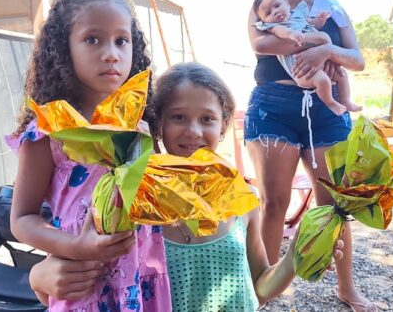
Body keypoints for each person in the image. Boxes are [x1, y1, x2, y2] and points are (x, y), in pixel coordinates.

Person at [29, 62, 345, 311]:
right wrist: (38, 277)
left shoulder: (244, 200)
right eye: (178, 117)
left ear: (223, 126)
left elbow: (257, 289)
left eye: (207, 119)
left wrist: (294, 257)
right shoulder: (131, 200)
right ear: (159, 126)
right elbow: (88, 281)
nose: (193, 131)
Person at [7, 0, 170, 311]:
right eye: (93, 39)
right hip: (84, 284)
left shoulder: (138, 129)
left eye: (121, 40)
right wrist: (77, 246)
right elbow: (22, 218)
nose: (111, 53)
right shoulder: (49, 132)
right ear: (63, 49)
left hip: (143, 283)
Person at [246, 0, 375, 311]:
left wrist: (326, 48)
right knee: (274, 203)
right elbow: (261, 43)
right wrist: (318, 43)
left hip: (326, 108)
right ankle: (262, 290)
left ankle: (347, 287)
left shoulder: (334, 9)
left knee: (336, 205)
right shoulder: (266, 3)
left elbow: (358, 60)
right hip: (273, 107)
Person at [251, 0, 361, 115]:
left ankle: (345, 101)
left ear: (286, 3)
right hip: (301, 67)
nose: (275, 12)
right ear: (265, 21)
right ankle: (330, 102)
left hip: (322, 62)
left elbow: (312, 24)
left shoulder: (299, 14)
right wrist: (292, 34)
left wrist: (320, 20)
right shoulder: (275, 26)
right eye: (268, 13)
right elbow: (280, 31)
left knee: (342, 76)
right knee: (323, 81)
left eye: (277, 6)